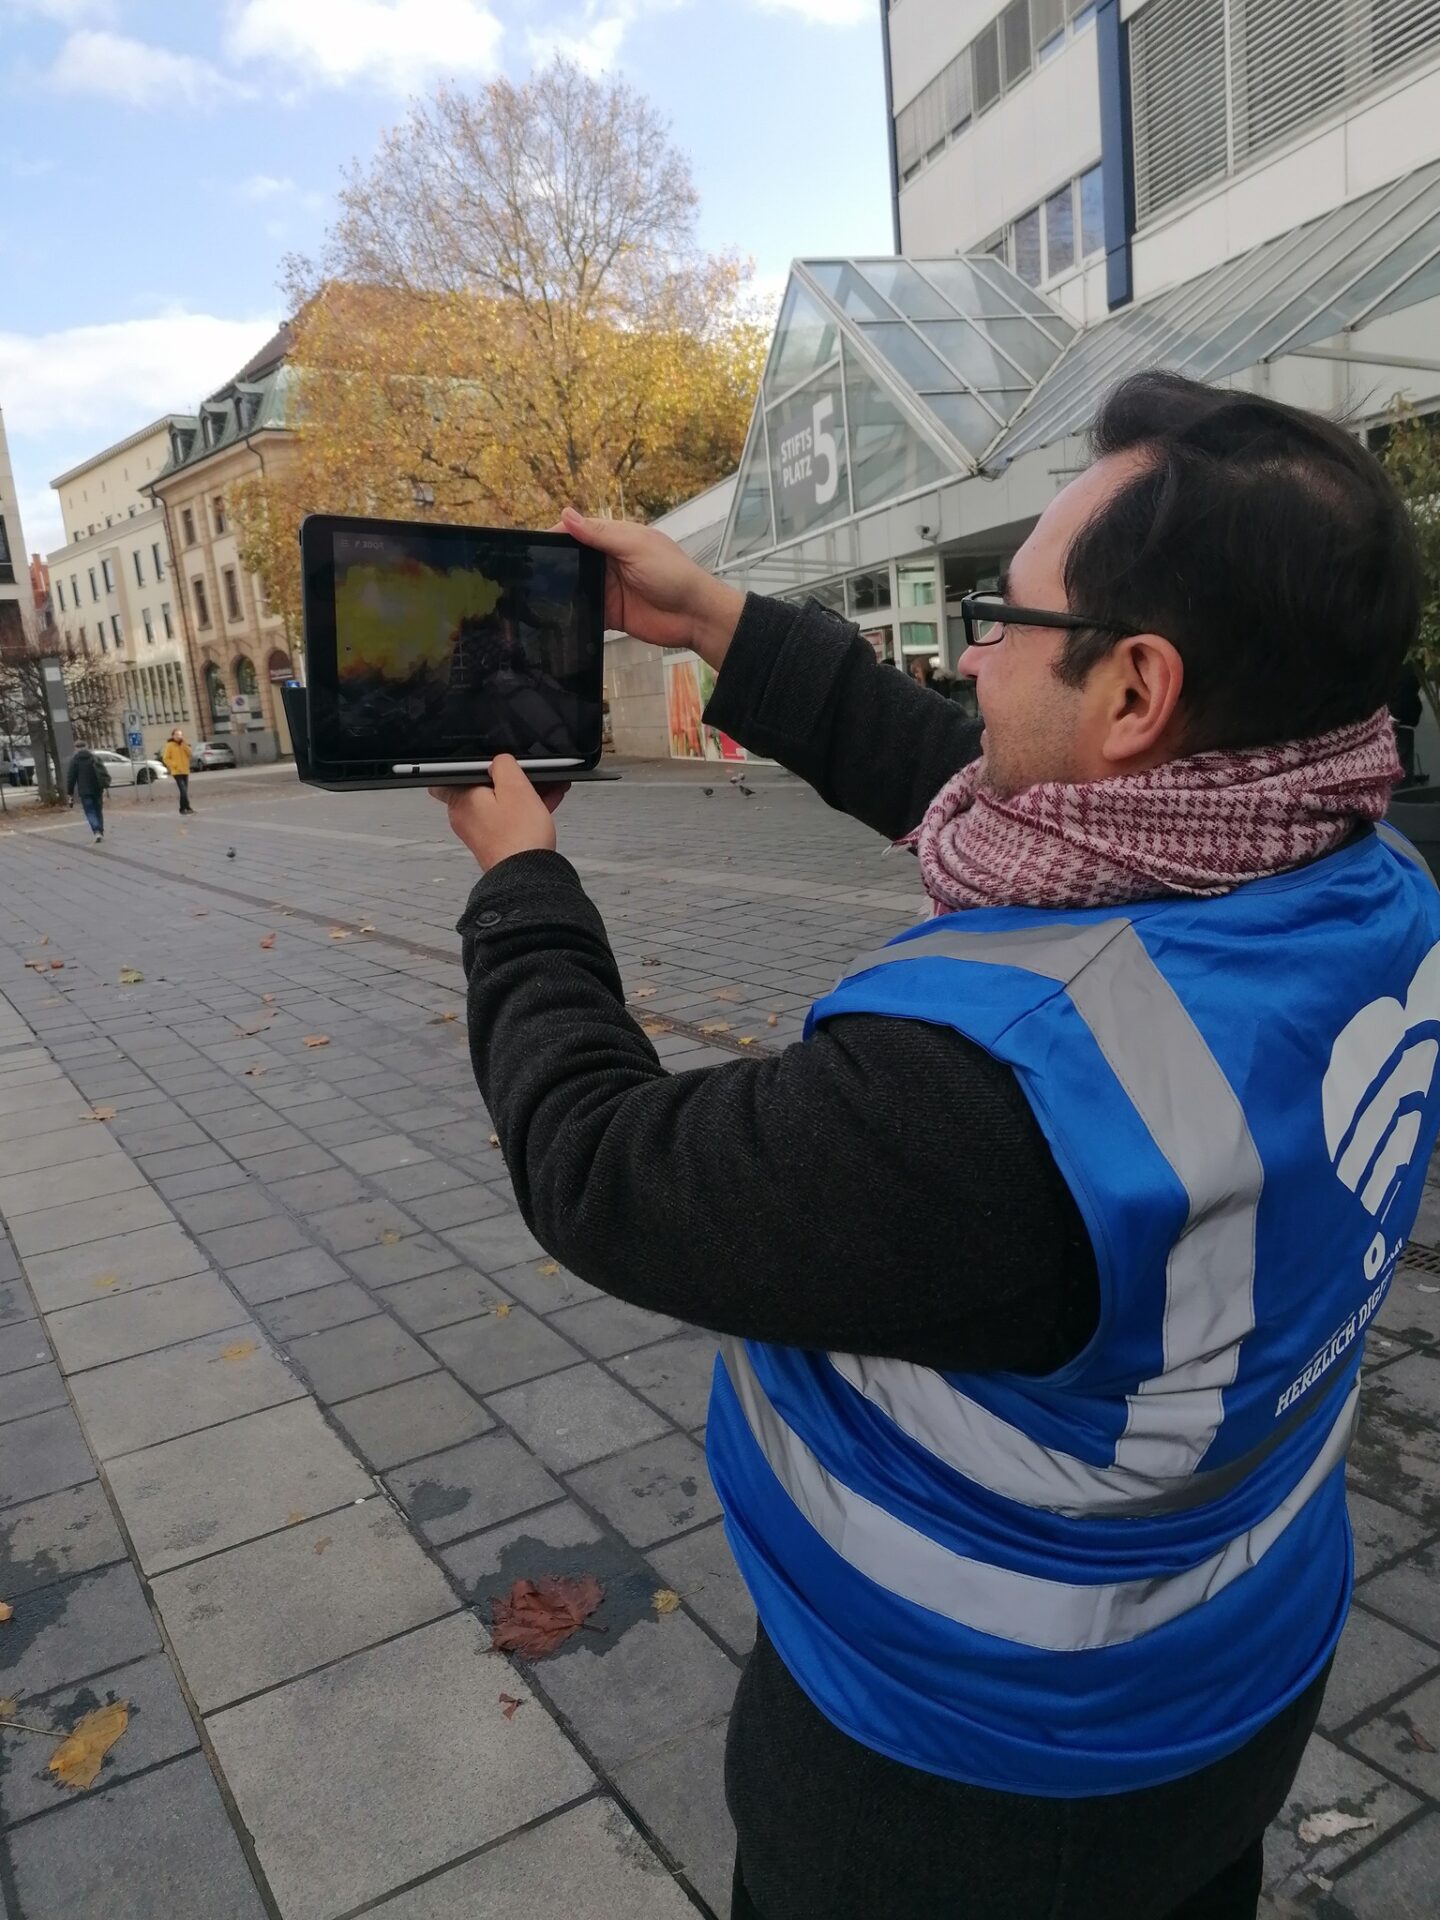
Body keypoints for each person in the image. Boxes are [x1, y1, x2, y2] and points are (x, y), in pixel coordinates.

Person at [433, 371, 1440, 1920]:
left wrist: (523, 889)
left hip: (972, 1781)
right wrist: (719, 622)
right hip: (1233, 1671)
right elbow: (981, 788)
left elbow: (608, 1173)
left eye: (1004, 614)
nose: (968, 650)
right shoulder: (1362, 878)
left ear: (1134, 693)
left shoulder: (989, 1103)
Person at [66, 743, 110, 844]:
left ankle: (96, 831)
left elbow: (71, 778)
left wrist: (70, 792)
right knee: (98, 810)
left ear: (76, 749)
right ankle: (100, 830)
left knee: (90, 811)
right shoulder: (94, 758)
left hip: (84, 791)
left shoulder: (75, 761)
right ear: (86, 747)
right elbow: (103, 772)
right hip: (97, 789)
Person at [162, 728, 194, 813]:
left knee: (184, 791)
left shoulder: (184, 744)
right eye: (177, 734)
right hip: (177, 771)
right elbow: (166, 758)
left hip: (185, 770)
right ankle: (183, 808)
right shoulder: (169, 745)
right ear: (173, 736)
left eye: (180, 734)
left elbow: (190, 754)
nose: (179, 736)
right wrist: (174, 765)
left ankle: (186, 808)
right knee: (183, 790)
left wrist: (184, 744)